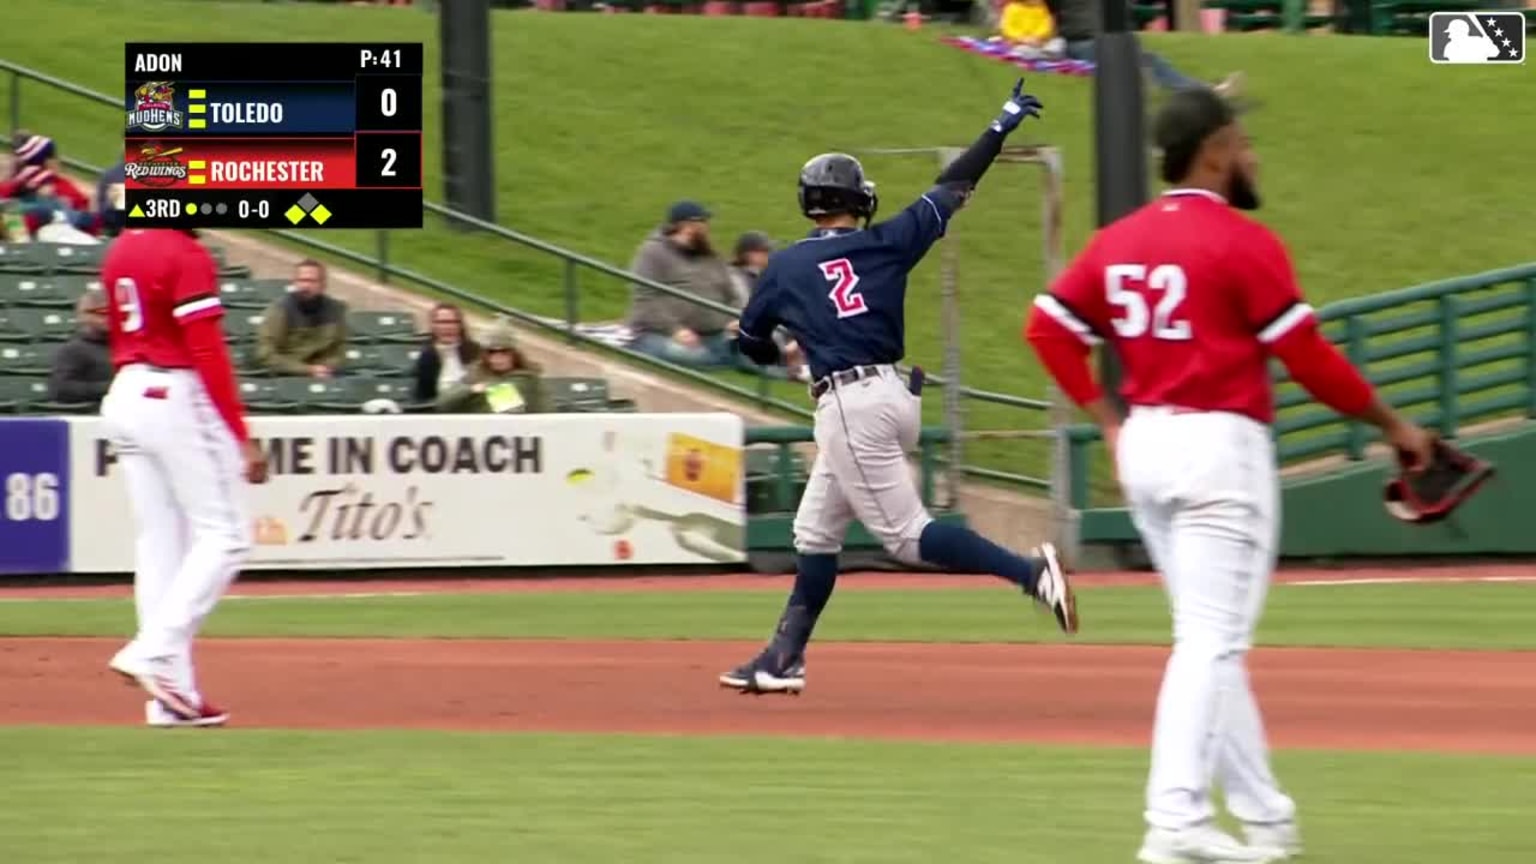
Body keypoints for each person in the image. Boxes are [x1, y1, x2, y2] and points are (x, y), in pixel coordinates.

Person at [1023, 87, 1436, 864]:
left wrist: (1106, 417)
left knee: (1206, 641)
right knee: (1209, 645)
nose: (1251, 155)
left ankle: (1266, 817)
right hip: (1219, 447)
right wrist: (1394, 427)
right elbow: (1309, 359)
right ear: (1212, 152)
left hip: (1144, 442)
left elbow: (1047, 328)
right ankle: (1173, 820)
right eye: (1242, 143)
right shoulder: (1243, 241)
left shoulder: (1117, 241)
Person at [720, 79, 1078, 696]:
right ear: (858, 199)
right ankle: (784, 659)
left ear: (809, 203)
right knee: (814, 534)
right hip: (894, 394)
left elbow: (748, 345)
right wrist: (1001, 124)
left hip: (851, 407)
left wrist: (775, 346)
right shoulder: (887, 241)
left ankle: (1030, 573)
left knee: (908, 538)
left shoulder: (782, 266)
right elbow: (956, 186)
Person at [98, 228, 271, 729]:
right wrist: (241, 432)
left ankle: (172, 695)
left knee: (159, 544)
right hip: (172, 390)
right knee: (228, 535)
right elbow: (206, 346)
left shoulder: (123, 246)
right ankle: (153, 651)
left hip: (126, 389)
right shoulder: (186, 252)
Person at [625, 200, 741, 368]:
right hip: (663, 334)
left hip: (714, 334)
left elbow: (732, 294)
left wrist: (733, 318)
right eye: (703, 222)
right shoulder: (652, 252)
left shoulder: (710, 255)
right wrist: (675, 330)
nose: (707, 227)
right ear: (687, 226)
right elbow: (646, 300)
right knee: (688, 355)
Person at [1045, 0, 1242, 96]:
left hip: (1094, 40)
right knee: (1146, 62)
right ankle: (1205, 92)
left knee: (1150, 60)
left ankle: (1202, 90)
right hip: (1085, 42)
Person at [255, 259, 349, 378]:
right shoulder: (279, 311)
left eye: (312, 281)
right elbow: (266, 355)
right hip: (287, 376)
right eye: (301, 280)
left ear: (323, 284)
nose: (305, 286)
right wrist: (307, 370)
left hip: (325, 375)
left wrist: (326, 367)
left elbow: (339, 350)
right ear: (294, 283)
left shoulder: (336, 310)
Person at [435, 317, 547, 414]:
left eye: (504, 352)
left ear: (514, 354)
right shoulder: (476, 372)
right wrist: (471, 390)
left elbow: (508, 409)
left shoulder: (526, 379)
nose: (498, 358)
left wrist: (483, 389)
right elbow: (443, 403)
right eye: (491, 352)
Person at [45, 287, 114, 407]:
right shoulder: (73, 350)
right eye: (102, 313)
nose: (109, 318)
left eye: (114, 313)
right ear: (83, 315)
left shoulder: (128, 347)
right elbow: (61, 390)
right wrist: (113, 387)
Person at [411, 301, 482, 403]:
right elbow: (424, 396)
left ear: (460, 325)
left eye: (453, 322)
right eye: (442, 322)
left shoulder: (474, 350)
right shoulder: (427, 356)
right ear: (433, 325)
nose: (448, 327)